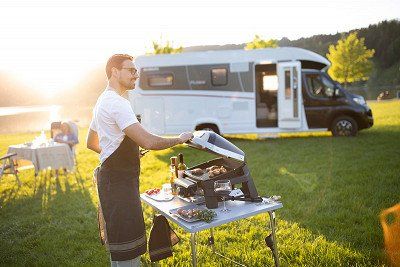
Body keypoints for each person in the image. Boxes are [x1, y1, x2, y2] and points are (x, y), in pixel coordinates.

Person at [86, 54, 193, 267]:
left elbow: (91, 141)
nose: (136, 74)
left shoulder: (102, 100)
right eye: (131, 70)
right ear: (115, 71)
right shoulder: (118, 103)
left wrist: (116, 152)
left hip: (111, 179)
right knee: (127, 249)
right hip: (118, 183)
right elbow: (149, 142)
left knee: (119, 244)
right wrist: (179, 139)